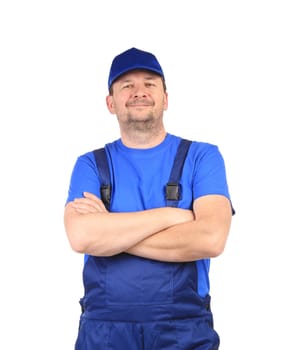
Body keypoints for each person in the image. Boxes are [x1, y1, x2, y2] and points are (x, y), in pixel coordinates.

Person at [64, 47, 235, 350]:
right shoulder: (89, 165)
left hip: (184, 332)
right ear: (110, 103)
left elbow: (210, 239)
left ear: (165, 99)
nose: (139, 91)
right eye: (127, 85)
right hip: (104, 334)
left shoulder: (202, 157)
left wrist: (110, 230)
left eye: (150, 83)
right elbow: (81, 237)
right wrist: (173, 217)